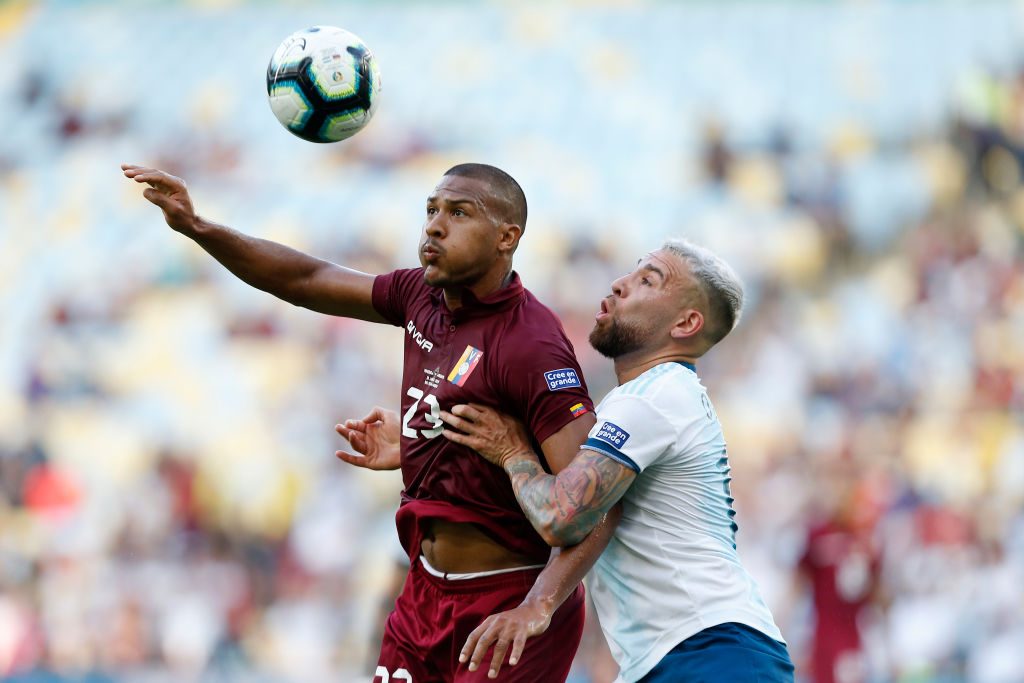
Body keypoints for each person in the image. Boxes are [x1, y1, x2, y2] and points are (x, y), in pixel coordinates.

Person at [121, 162, 610, 682]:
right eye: (431, 210)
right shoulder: (420, 297)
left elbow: (593, 505)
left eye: (459, 212)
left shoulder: (531, 343)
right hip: (423, 597)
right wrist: (201, 228)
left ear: (506, 237)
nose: (434, 226)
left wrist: (539, 606)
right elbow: (306, 278)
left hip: (507, 606)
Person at [435, 239, 796, 682]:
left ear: (686, 322)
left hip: (712, 650)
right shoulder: (641, 400)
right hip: (685, 654)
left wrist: (513, 454)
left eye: (648, 280)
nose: (620, 284)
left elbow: (562, 516)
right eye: (632, 272)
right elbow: (587, 508)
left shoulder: (656, 396)